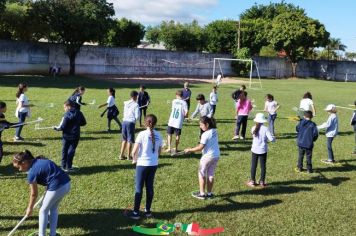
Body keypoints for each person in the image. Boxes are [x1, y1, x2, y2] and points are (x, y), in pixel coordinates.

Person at [12, 150, 70, 236]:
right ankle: (52, 234)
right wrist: (49, 188)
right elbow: (51, 173)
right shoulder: (40, 160)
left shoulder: (31, 173)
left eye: (19, 167)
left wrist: (30, 208)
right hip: (66, 184)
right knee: (53, 208)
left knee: (43, 210)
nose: (20, 170)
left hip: (57, 187)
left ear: (24, 163)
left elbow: (34, 194)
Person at [128, 114, 162, 219]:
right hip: (154, 164)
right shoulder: (159, 135)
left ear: (145, 123)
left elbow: (134, 151)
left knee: (138, 188)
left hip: (142, 165)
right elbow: (159, 152)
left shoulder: (141, 134)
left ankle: (136, 213)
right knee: (149, 187)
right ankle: (147, 211)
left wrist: (134, 159)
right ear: (155, 123)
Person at [184, 116, 220, 200]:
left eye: (201, 125)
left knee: (201, 173)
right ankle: (210, 193)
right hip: (216, 156)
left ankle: (202, 194)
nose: (200, 126)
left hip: (207, 157)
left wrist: (190, 150)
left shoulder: (205, 134)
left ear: (207, 124)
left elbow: (200, 147)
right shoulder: (215, 130)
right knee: (210, 174)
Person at [54, 101, 87, 172]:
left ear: (69, 106)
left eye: (64, 107)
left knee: (64, 150)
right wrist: (76, 124)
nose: (64, 109)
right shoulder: (79, 112)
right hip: (75, 135)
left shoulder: (66, 114)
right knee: (71, 151)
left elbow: (62, 127)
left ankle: (63, 165)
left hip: (66, 136)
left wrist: (57, 128)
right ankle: (68, 166)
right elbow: (84, 123)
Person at [246, 113, 275, 187]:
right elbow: (271, 139)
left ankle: (252, 181)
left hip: (255, 149)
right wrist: (273, 138)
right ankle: (262, 181)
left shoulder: (253, 128)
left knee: (253, 165)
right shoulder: (265, 129)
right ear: (263, 121)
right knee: (263, 166)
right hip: (262, 150)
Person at [165, 90, 188, 154]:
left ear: (177, 95)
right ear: (182, 95)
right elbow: (186, 112)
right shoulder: (184, 102)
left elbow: (173, 109)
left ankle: (169, 148)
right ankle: (176, 148)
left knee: (169, 134)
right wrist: (186, 117)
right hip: (178, 122)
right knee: (177, 135)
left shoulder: (174, 101)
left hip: (171, 120)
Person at [119, 91, 140, 160]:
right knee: (130, 140)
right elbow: (137, 116)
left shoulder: (126, 103)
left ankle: (121, 155)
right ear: (135, 96)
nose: (137, 98)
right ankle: (128, 156)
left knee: (124, 139)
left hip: (124, 122)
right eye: (137, 96)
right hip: (130, 123)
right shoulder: (136, 105)